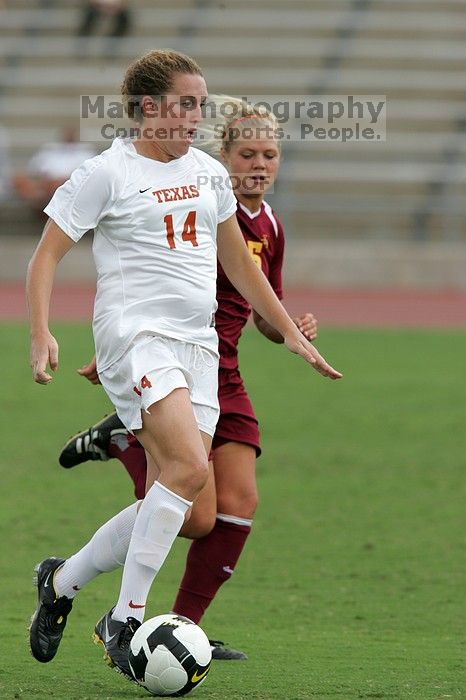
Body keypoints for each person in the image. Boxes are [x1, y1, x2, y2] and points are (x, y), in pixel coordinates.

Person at [26, 49, 342, 681]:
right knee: (190, 467)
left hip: (198, 347)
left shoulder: (206, 173)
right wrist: (41, 332)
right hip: (134, 337)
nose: (197, 115)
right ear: (149, 108)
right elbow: (46, 255)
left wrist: (290, 333)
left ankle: (61, 582)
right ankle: (126, 618)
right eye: (186, 103)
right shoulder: (106, 173)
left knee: (187, 498)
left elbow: (242, 267)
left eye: (200, 102)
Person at [13, 127, 96, 220]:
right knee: (21, 180)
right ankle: (42, 205)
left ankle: (45, 205)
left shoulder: (86, 152)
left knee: (55, 185)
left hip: (70, 188)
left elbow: (87, 178)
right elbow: (34, 171)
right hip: (46, 185)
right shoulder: (50, 149)